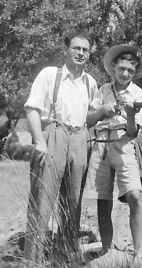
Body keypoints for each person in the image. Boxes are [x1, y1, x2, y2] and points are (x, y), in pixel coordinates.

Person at [23, 34, 97, 264]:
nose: (81, 53)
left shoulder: (90, 82)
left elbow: (90, 117)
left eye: (85, 50)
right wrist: (39, 141)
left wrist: (105, 111)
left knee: (72, 203)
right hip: (54, 134)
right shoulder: (49, 75)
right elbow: (32, 109)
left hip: (79, 138)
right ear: (66, 50)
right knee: (42, 201)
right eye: (76, 48)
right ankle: (33, 260)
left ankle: (63, 257)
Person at [86, 44, 142, 261]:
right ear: (113, 67)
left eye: (130, 71)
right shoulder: (102, 91)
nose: (125, 74)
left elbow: (133, 132)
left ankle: (139, 253)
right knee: (103, 200)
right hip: (101, 144)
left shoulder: (139, 94)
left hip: (124, 144)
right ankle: (107, 251)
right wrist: (104, 110)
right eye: (122, 69)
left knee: (135, 195)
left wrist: (130, 115)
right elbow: (89, 120)